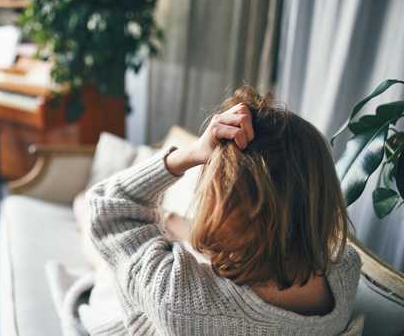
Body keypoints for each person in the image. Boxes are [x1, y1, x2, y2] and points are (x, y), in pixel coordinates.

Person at [87, 86, 361, 335]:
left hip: (127, 315)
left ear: (234, 209)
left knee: (93, 236)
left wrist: (191, 153)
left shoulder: (181, 300)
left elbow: (106, 205)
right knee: (170, 223)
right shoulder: (345, 272)